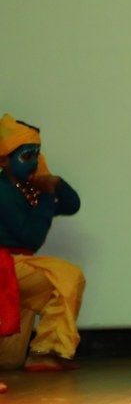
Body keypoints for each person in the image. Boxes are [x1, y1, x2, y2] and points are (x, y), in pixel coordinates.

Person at [0, 114, 84, 372]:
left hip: (17, 269)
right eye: (27, 156)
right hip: (6, 265)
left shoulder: (28, 189)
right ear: (3, 160)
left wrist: (55, 182)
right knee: (67, 276)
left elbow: (71, 205)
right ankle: (47, 350)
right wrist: (47, 197)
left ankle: (41, 353)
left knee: (9, 360)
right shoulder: (3, 191)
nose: (35, 162)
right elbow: (31, 236)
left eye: (37, 155)